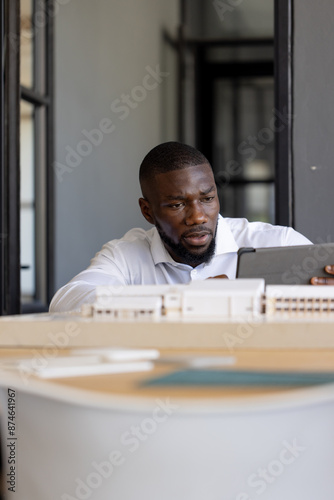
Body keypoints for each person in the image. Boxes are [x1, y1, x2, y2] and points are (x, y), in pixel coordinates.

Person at [50, 141, 312, 312]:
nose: (198, 217)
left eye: (207, 199)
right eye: (177, 205)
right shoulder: (125, 255)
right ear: (147, 211)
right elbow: (66, 302)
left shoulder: (277, 244)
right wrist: (185, 299)